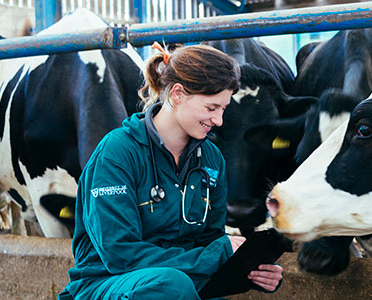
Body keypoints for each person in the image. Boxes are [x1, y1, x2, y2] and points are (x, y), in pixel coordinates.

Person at [58, 43, 284, 300]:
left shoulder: (212, 159)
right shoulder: (117, 152)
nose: (219, 120)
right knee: (171, 286)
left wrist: (249, 269)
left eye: (223, 109)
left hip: (182, 283)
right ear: (177, 94)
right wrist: (213, 255)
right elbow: (119, 255)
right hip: (106, 283)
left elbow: (209, 240)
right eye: (211, 108)